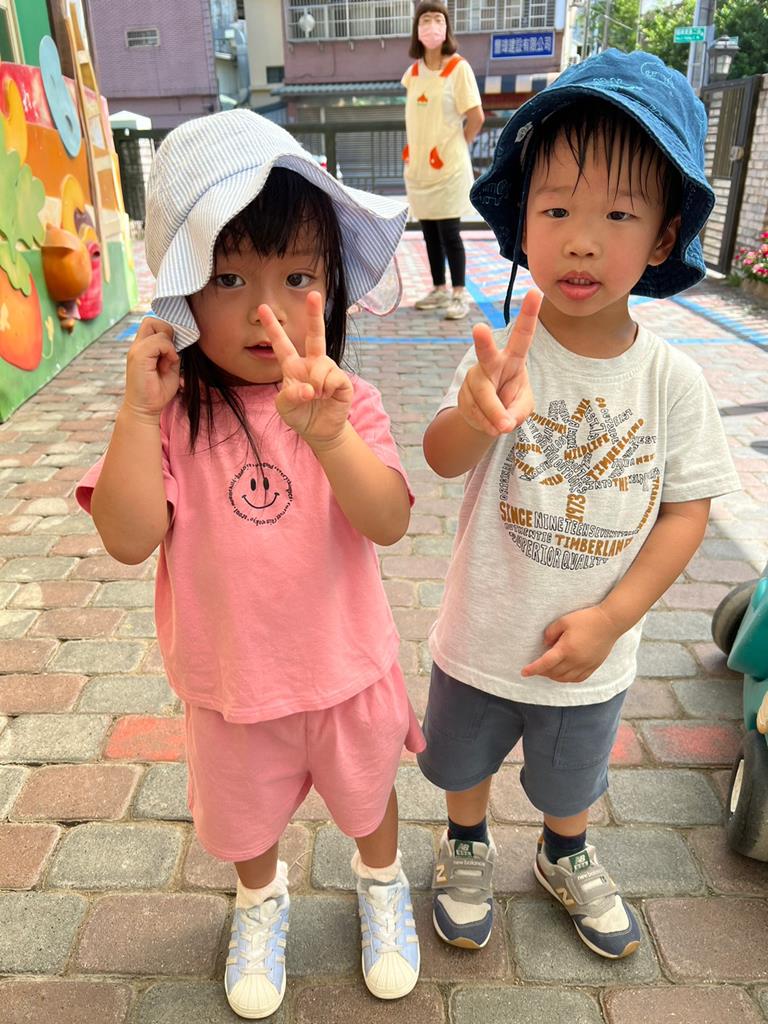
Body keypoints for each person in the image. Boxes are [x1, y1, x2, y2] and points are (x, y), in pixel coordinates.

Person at [76, 110, 424, 1020]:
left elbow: (388, 521)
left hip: (347, 675)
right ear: (182, 289)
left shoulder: (350, 400)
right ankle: (259, 901)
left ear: (330, 289)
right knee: (243, 825)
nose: (265, 309)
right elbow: (127, 537)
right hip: (232, 688)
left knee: (369, 800)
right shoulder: (172, 416)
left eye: (297, 277)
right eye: (229, 277)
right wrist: (136, 417)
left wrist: (332, 438)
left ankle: (381, 882)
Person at [417, 50, 741, 960]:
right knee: (462, 762)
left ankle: (565, 852)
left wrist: (613, 617)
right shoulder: (500, 354)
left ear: (665, 236)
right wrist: (476, 414)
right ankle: (466, 842)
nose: (583, 241)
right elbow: (442, 458)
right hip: (482, 632)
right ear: (523, 221)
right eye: (557, 210)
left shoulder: (670, 381)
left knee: (572, 778)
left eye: (618, 215)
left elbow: (685, 513)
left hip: (591, 650)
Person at [402, 0, 484, 321]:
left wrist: (457, 147)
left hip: (449, 169)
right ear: (417, 29)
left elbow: (475, 117)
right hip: (419, 168)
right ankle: (438, 289)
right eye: (425, 20)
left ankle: (459, 294)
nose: (431, 26)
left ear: (447, 27)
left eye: (438, 19)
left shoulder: (458, 69)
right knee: (429, 231)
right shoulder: (412, 74)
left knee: (450, 231)